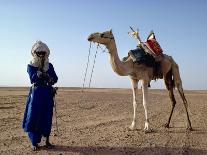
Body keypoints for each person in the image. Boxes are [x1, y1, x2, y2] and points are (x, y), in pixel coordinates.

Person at [22, 41, 58, 151]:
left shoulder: (49, 66)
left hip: (47, 93)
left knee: (47, 116)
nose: (41, 55)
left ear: (46, 53)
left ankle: (47, 141)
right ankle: (34, 142)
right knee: (34, 116)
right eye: (39, 53)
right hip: (36, 94)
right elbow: (32, 79)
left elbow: (55, 79)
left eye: (43, 52)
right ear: (35, 53)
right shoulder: (31, 66)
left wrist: (48, 76)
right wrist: (39, 72)